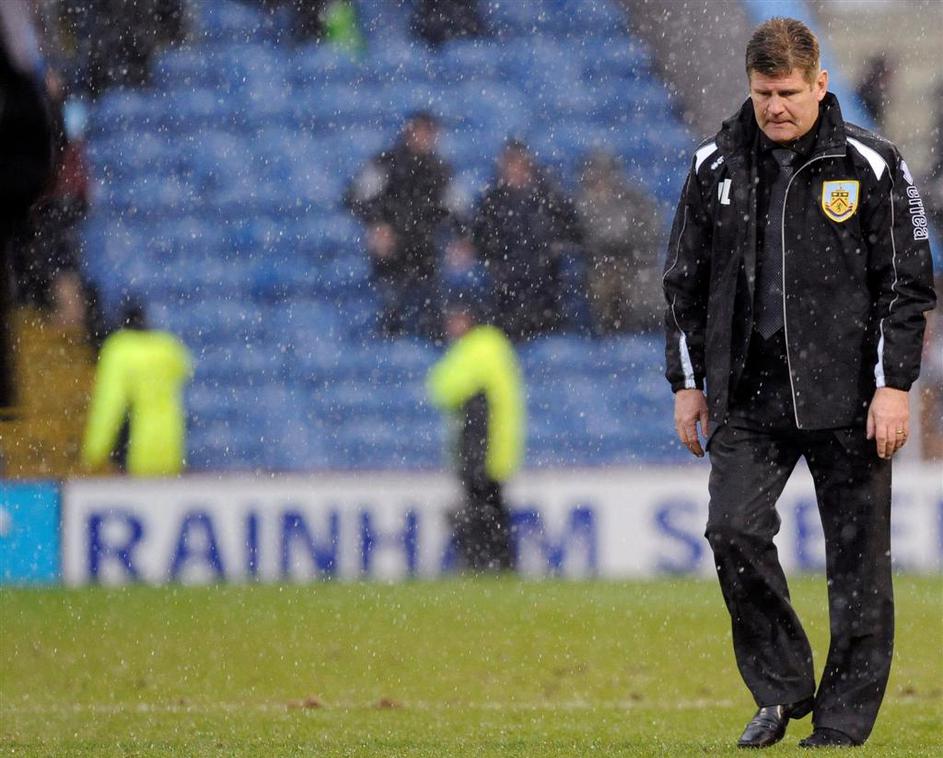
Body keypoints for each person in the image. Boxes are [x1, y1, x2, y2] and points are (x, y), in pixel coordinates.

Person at [662, 18, 936, 750]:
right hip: (748, 393)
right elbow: (684, 283)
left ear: (820, 84)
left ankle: (841, 725)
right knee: (732, 530)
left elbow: (907, 285)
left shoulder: (872, 163)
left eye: (787, 92)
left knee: (858, 567)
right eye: (763, 93)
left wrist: (893, 386)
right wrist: (687, 383)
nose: (775, 107)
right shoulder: (713, 166)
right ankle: (782, 690)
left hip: (848, 397)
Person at [426, 297, 524, 571]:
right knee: (492, 508)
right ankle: (499, 563)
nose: (451, 326)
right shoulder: (494, 345)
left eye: (456, 318)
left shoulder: (477, 348)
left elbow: (442, 388)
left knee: (481, 508)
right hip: (495, 448)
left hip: (482, 448)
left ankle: (483, 561)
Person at [345, 111, 453, 340]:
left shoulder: (441, 171)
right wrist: (376, 224)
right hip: (391, 258)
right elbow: (356, 197)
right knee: (391, 315)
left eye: (428, 133)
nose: (423, 138)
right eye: (419, 131)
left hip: (426, 257)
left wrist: (460, 238)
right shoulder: (385, 164)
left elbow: (456, 209)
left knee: (432, 319)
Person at [471, 140, 582, 341]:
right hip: (505, 287)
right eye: (509, 164)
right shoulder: (492, 202)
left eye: (518, 163)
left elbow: (573, 234)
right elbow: (479, 241)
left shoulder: (550, 199)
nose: (514, 170)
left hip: (546, 284)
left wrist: (555, 250)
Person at [82, 300, 193, 476]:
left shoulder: (120, 350)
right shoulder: (167, 348)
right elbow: (185, 370)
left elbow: (110, 404)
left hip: (135, 444)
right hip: (169, 441)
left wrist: (95, 451)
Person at [576, 149, 663, 334]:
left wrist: (626, 258)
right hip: (600, 268)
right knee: (602, 284)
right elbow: (580, 243)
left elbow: (649, 237)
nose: (599, 183)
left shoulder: (635, 202)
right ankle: (608, 331)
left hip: (634, 266)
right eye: (593, 178)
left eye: (602, 177)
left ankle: (643, 329)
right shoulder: (580, 207)